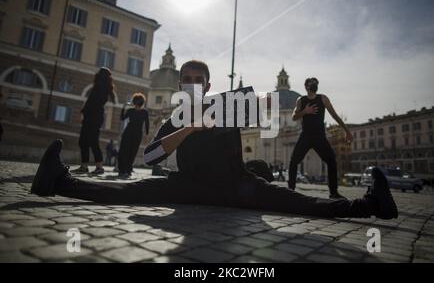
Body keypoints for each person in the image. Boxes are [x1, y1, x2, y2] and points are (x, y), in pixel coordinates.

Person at [30, 60, 397, 220]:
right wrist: (189, 128)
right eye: (185, 78)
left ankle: (372, 204)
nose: (190, 82)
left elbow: (265, 107)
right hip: (186, 186)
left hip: (237, 186)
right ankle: (55, 180)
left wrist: (296, 104)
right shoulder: (175, 117)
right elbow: (152, 157)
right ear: (180, 84)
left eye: (197, 78)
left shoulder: (228, 106)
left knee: (301, 203)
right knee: (123, 193)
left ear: (206, 85)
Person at [288, 77, 353, 199]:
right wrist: (305, 111)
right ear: (306, 86)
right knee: (293, 162)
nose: (314, 85)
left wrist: (347, 131)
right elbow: (294, 117)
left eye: (316, 83)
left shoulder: (323, 98)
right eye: (312, 83)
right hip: (305, 136)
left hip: (320, 137)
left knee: (332, 161)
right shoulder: (300, 100)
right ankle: (290, 191)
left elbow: (334, 115)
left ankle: (333, 193)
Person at [71, 67, 116, 175]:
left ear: (100, 76)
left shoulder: (100, 87)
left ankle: (98, 167)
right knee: (85, 141)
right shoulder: (103, 87)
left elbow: (92, 102)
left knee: (90, 141)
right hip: (94, 117)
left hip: (93, 117)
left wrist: (84, 111)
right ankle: (86, 166)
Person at [117, 93, 149, 178]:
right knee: (132, 152)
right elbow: (147, 124)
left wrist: (123, 107)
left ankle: (123, 170)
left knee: (125, 151)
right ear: (142, 102)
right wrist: (146, 135)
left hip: (129, 133)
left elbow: (122, 118)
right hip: (137, 134)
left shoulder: (130, 111)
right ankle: (127, 170)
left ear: (134, 102)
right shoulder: (144, 112)